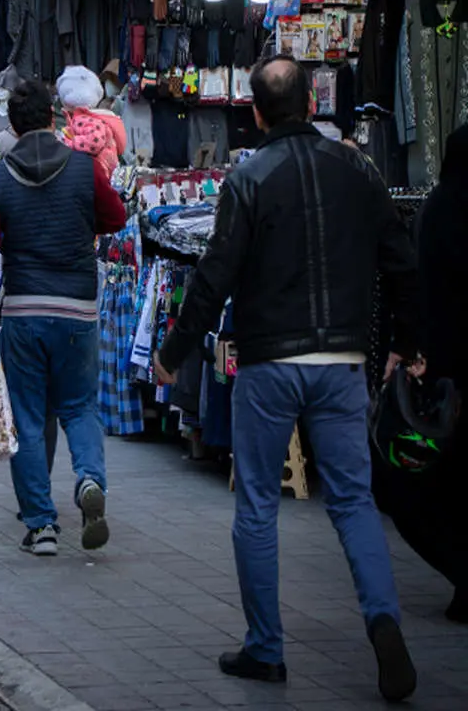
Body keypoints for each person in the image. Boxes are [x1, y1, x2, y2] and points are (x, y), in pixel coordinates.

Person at [152, 55, 421, 701]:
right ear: (312, 103)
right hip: (342, 363)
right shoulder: (357, 172)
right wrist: (408, 345)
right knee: (354, 502)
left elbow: (213, 277)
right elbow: (403, 263)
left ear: (254, 112)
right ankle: (383, 621)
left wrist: (174, 350)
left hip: (270, 363)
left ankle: (266, 648)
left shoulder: (249, 179)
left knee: (258, 508)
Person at [0, 80, 125, 558]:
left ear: (12, 125)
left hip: (24, 312)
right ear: (53, 119)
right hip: (77, 310)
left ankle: (41, 526)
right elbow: (114, 216)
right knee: (79, 408)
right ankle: (90, 480)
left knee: (28, 420)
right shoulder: (83, 168)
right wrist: (80, 219)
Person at [374, 124, 468, 625]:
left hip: (443, 372)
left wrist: (409, 349)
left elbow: (418, 287)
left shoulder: (435, 212)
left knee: (436, 482)